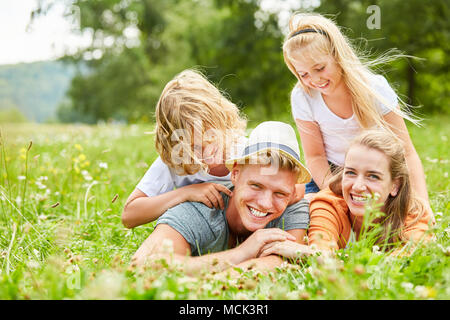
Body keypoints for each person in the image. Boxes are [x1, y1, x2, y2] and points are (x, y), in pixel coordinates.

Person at [282, 13, 430, 210]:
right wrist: (338, 195)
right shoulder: (303, 97)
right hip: (330, 174)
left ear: (337, 55)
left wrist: (422, 203)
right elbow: (315, 157)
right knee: (306, 211)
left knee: (393, 218)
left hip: (376, 170)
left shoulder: (373, 88)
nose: (315, 80)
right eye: (304, 74)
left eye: (320, 68)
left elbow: (407, 152)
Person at [131, 121, 312, 274]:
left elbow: (283, 262)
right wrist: (241, 253)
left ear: (292, 192)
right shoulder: (198, 211)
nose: (265, 203)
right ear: (235, 175)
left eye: (280, 193)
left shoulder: (293, 208)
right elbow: (144, 265)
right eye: (256, 186)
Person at [259, 130, 434, 259]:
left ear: (394, 186)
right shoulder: (327, 204)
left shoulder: (414, 215)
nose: (357, 187)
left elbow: (404, 260)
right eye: (350, 173)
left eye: (372, 176)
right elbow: (322, 255)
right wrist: (319, 256)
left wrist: (302, 252)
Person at [121, 69, 247, 229]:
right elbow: (129, 215)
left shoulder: (246, 150)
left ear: (223, 120)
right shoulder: (176, 159)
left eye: (212, 140)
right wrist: (187, 193)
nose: (207, 155)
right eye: (194, 148)